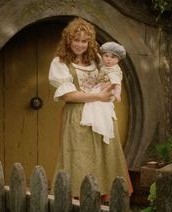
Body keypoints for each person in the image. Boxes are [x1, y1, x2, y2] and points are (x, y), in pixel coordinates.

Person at [48, 17, 133, 201]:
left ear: (90, 41)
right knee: (80, 157)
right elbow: (68, 96)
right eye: (76, 40)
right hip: (77, 116)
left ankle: (105, 200)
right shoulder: (60, 62)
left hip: (102, 115)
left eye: (84, 41)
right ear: (68, 40)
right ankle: (78, 202)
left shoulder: (97, 59)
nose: (80, 44)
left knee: (105, 156)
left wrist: (111, 89)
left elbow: (113, 73)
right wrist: (98, 96)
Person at [80, 41, 126, 144]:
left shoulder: (114, 70)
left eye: (113, 57)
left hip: (108, 91)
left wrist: (117, 93)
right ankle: (94, 120)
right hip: (99, 88)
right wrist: (96, 52)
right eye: (106, 56)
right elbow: (100, 61)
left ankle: (98, 124)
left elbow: (116, 83)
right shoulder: (105, 64)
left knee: (99, 107)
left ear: (118, 60)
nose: (109, 59)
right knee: (93, 102)